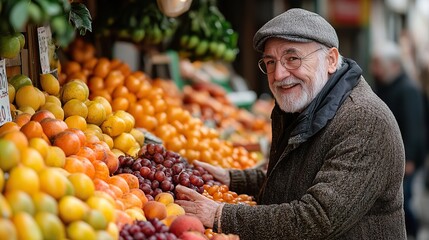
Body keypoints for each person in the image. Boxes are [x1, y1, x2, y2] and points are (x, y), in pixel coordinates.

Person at [175, 8, 406, 239]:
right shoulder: (304, 106)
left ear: (331, 60)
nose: (278, 75)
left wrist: (220, 215)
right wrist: (232, 179)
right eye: (270, 62)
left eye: (292, 58)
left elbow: (317, 219)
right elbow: (294, 180)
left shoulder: (364, 121)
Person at [371, 41, 427, 238]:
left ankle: (412, 232)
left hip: (405, 160)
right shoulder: (384, 85)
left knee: (404, 201)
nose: (374, 69)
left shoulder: (408, 89)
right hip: (390, 157)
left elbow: (415, 127)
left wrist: (409, 159)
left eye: (378, 64)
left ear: (393, 65)